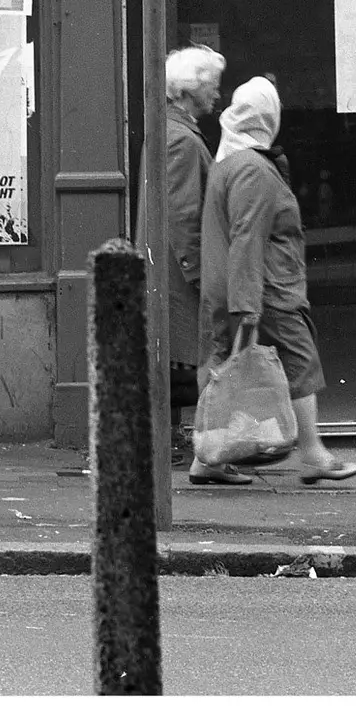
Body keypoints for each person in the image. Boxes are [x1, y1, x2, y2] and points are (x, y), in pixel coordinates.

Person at [198, 76, 356, 485]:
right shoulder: (253, 168)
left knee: (226, 366)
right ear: (267, 117)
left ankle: (207, 460)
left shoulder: (229, 162)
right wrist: (248, 307)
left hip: (238, 286)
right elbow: (248, 237)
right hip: (270, 289)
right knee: (299, 362)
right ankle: (313, 455)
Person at [147, 46, 241, 484]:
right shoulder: (182, 140)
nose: (217, 96)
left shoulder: (170, 131)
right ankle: (202, 452)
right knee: (195, 358)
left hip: (170, 268)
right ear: (188, 90)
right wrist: (199, 274)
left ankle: (179, 443)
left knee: (178, 359)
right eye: (211, 88)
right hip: (179, 272)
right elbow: (183, 213)